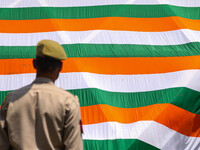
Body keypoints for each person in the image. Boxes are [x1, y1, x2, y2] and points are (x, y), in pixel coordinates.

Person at [0, 40, 83, 150]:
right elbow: (74, 147)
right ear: (60, 67)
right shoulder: (68, 102)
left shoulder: (10, 100)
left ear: (34, 64)